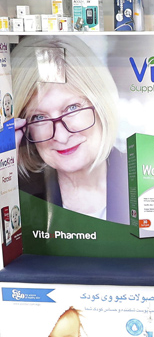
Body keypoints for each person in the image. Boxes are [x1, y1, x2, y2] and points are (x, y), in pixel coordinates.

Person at [11, 36, 127, 223]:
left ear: (101, 106)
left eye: (72, 108)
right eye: (39, 117)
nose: (61, 136)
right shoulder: (18, 199)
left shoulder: (145, 178)